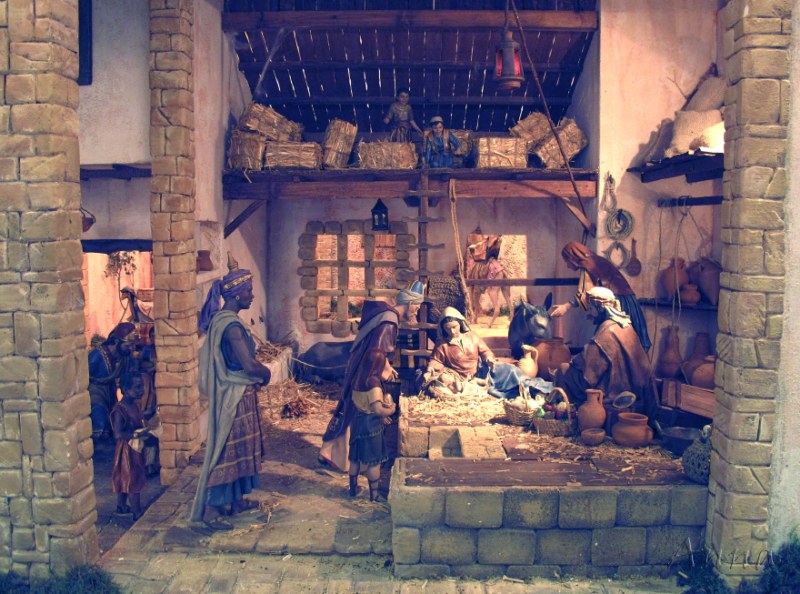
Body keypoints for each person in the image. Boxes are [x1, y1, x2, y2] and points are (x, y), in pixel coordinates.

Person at [190, 254, 272, 532]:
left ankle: (236, 501)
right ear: (237, 294)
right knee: (228, 450)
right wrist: (266, 373)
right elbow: (248, 364)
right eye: (248, 291)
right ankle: (213, 510)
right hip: (235, 396)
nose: (252, 296)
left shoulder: (225, 321)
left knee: (243, 447)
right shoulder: (232, 328)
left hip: (240, 392)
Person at [319, 282, 424, 474]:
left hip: (362, 365)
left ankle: (332, 453)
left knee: (350, 407)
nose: (416, 311)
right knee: (357, 411)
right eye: (416, 307)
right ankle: (337, 456)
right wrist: (386, 369)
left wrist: (386, 365)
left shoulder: (386, 315)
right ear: (410, 304)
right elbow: (378, 351)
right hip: (367, 371)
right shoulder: (390, 321)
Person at [553, 286, 656, 417]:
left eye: (591, 309)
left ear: (600, 308)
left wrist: (574, 363)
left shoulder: (606, 331)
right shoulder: (625, 324)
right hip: (635, 386)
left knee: (563, 370)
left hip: (612, 388)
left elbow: (590, 371)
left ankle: (569, 413)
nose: (589, 314)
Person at [427, 307, 551, 399]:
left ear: (460, 323)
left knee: (511, 371)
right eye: (448, 328)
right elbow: (435, 361)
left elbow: (485, 351)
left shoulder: (471, 336)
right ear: (443, 329)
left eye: (454, 326)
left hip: (485, 369)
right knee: (505, 388)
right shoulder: (442, 345)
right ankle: (532, 392)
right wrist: (430, 369)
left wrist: (489, 358)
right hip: (468, 379)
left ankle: (542, 388)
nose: (452, 331)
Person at [550, 241, 651, 352]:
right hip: (627, 300)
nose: (567, 265)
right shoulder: (596, 260)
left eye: (566, 260)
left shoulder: (587, 264)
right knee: (626, 341)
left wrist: (566, 306)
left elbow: (585, 293)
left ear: (572, 257)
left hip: (618, 303)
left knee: (606, 341)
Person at [348, 348, 397, 502]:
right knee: (374, 462)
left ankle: (353, 489)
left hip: (357, 421)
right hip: (371, 425)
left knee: (355, 458)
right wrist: (390, 410)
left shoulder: (358, 378)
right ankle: (374, 495)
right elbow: (377, 409)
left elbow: (360, 403)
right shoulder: (373, 383)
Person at [110, 372, 150, 520]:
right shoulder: (120, 410)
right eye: (137, 387)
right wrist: (135, 435)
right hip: (126, 450)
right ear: (126, 390)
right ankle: (136, 511)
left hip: (135, 448)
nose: (142, 390)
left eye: (142, 386)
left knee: (125, 477)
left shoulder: (134, 404)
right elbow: (118, 434)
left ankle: (121, 506)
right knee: (133, 479)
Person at [88, 322, 136, 439]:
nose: (130, 349)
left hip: (111, 391)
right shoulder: (97, 356)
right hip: (96, 393)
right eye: (127, 345)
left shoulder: (126, 357)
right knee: (100, 419)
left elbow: (131, 374)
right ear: (116, 342)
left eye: (132, 345)